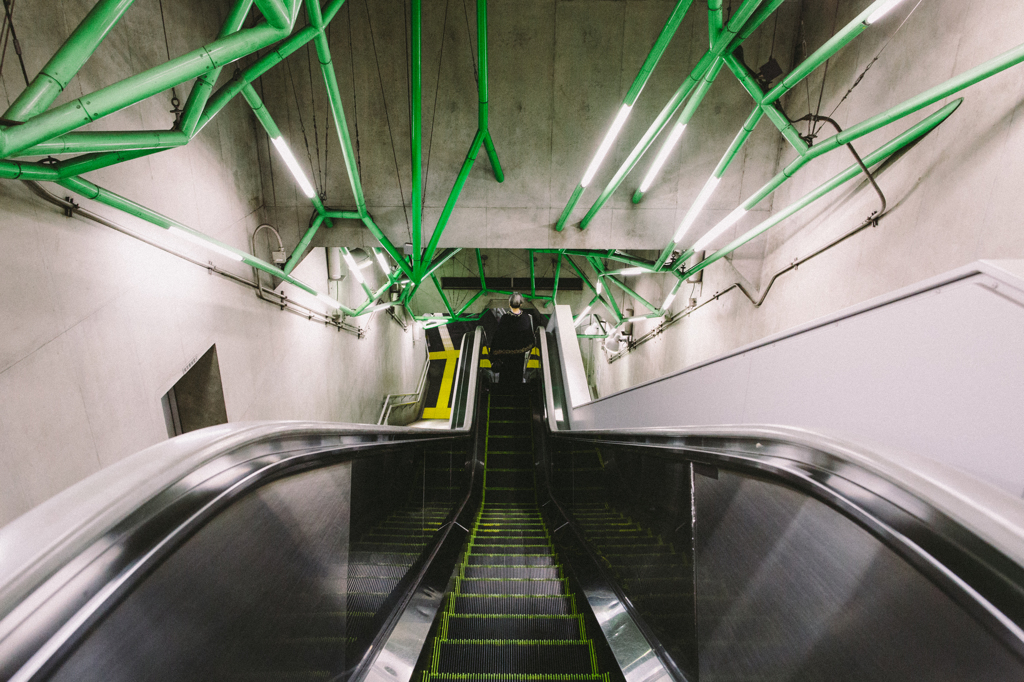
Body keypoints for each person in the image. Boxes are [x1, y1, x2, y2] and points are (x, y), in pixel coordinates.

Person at [489, 293, 536, 385]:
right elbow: (530, 337)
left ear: (509, 304)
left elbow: (498, 336)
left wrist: (493, 355)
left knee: (505, 375)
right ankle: (517, 386)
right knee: (517, 372)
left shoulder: (505, 318)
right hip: (520, 355)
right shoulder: (526, 317)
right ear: (521, 304)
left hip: (506, 356)